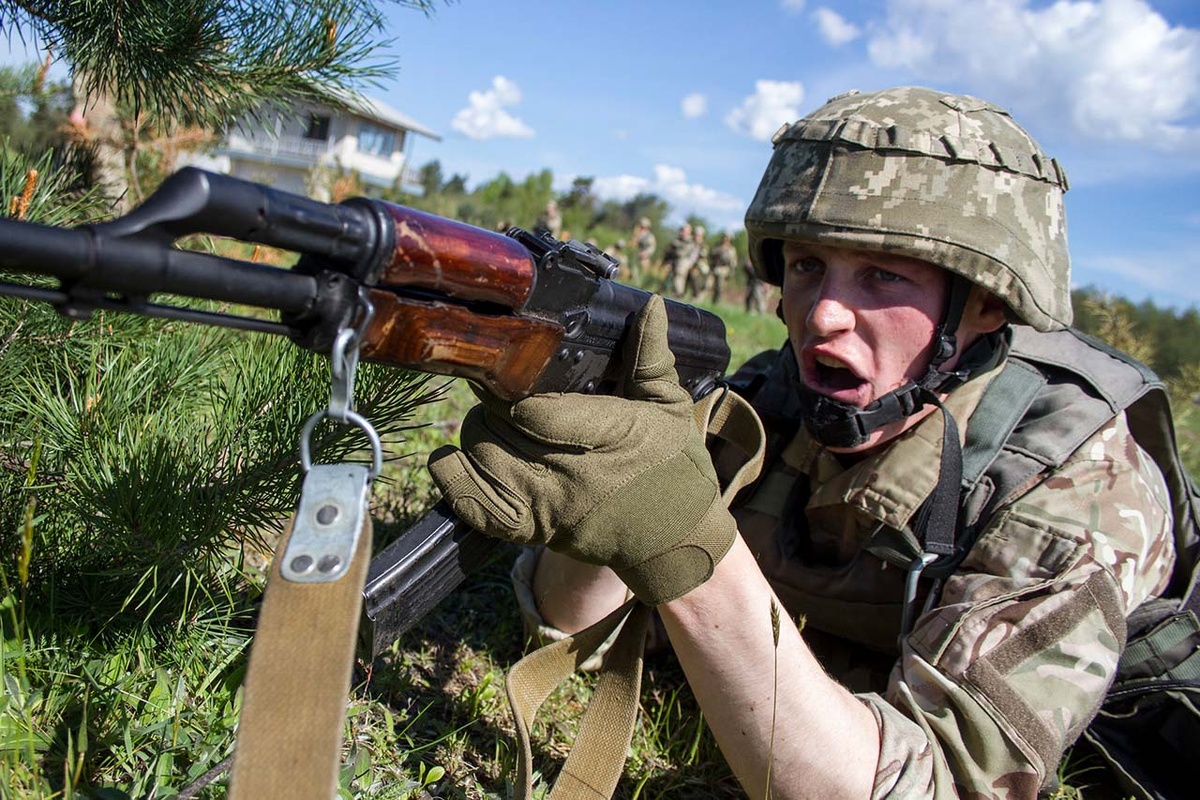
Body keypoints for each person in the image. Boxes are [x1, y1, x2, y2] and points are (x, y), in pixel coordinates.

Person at [428, 86, 1181, 798]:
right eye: (807, 266)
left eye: (883, 278)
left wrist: (677, 537)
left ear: (983, 307)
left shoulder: (1071, 486)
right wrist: (594, 465)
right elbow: (571, 627)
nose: (822, 317)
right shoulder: (767, 400)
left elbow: (936, 787)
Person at [708, 230, 737, 304]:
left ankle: (716, 302)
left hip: (724, 270)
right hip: (714, 268)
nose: (725, 239)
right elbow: (710, 256)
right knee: (707, 284)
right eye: (725, 237)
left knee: (719, 287)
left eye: (727, 237)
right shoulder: (717, 246)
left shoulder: (731, 250)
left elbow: (733, 263)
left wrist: (731, 272)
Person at [632, 217, 657, 284]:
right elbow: (633, 243)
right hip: (637, 254)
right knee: (634, 270)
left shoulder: (650, 236)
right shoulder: (638, 233)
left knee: (643, 272)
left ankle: (642, 285)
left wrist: (646, 253)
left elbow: (652, 247)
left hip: (644, 256)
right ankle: (635, 283)